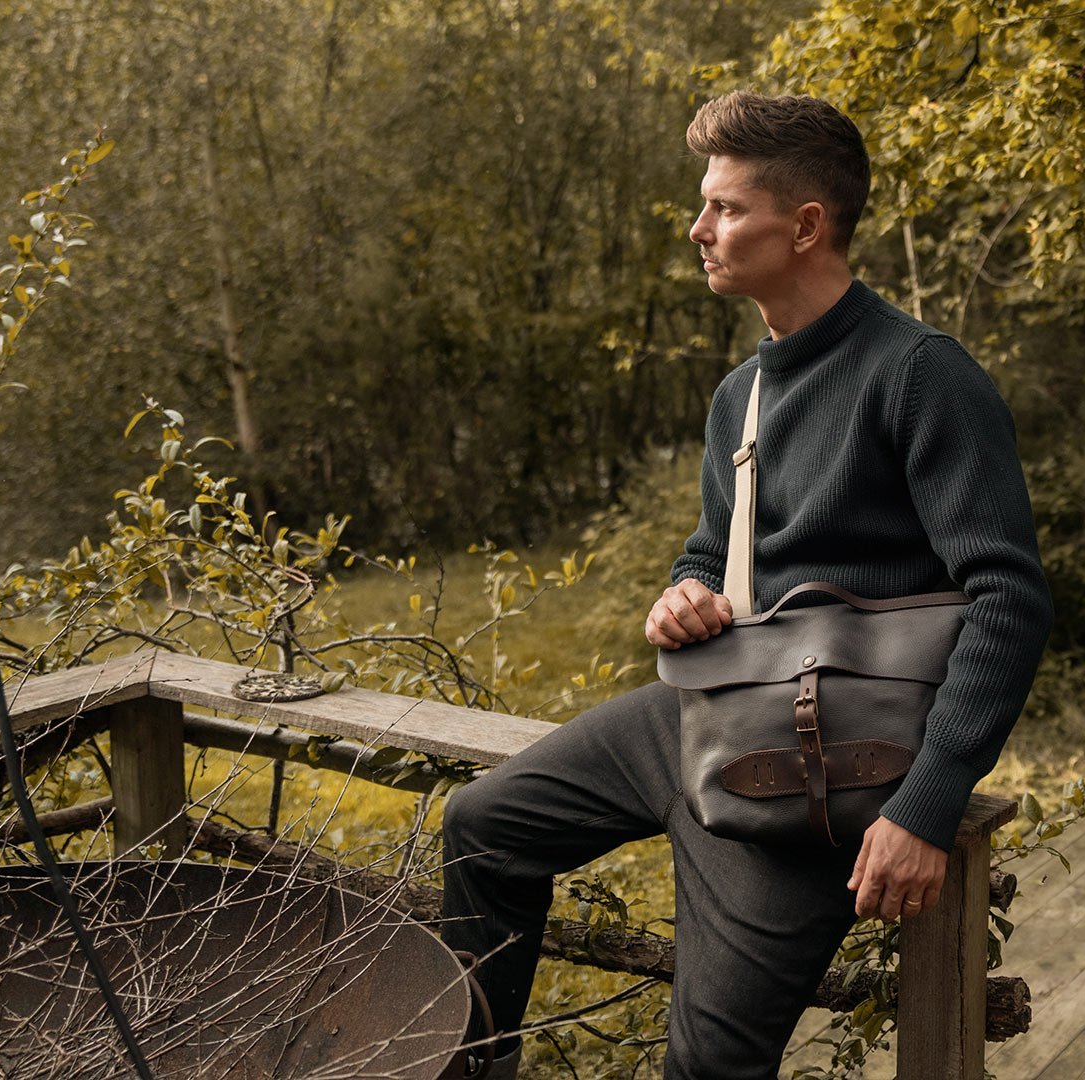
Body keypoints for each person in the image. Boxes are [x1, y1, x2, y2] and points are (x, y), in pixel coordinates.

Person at [439, 90, 1052, 1079]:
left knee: (710, 1067)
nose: (699, 229)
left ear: (804, 225)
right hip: (713, 707)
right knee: (484, 827)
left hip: (829, 760)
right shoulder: (745, 391)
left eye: (724, 208)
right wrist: (685, 596)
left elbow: (1010, 601)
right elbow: (711, 551)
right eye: (705, 206)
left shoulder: (919, 374)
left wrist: (924, 807)